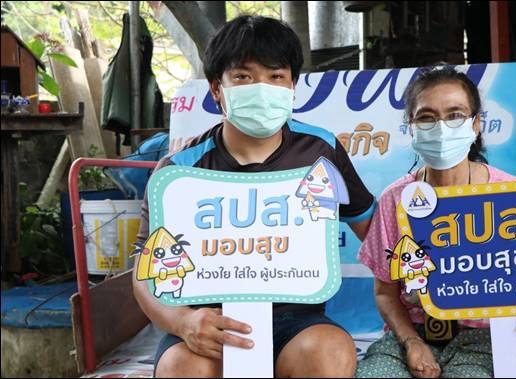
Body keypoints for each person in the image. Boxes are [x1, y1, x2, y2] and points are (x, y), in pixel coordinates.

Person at [132, 15, 377, 378]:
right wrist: (183, 322)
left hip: (295, 321)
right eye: (244, 77)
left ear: (293, 85)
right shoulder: (178, 171)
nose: (262, 87)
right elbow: (143, 273)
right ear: (217, 89)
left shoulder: (320, 151)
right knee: (182, 368)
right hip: (206, 321)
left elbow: (373, 231)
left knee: (330, 353)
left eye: (276, 76)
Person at [356, 65, 516, 378]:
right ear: (411, 126)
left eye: (455, 114)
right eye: (426, 116)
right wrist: (412, 343)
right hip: (414, 332)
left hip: (489, 337)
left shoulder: (513, 196)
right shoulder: (395, 199)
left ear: (476, 124)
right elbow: (385, 292)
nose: (441, 127)